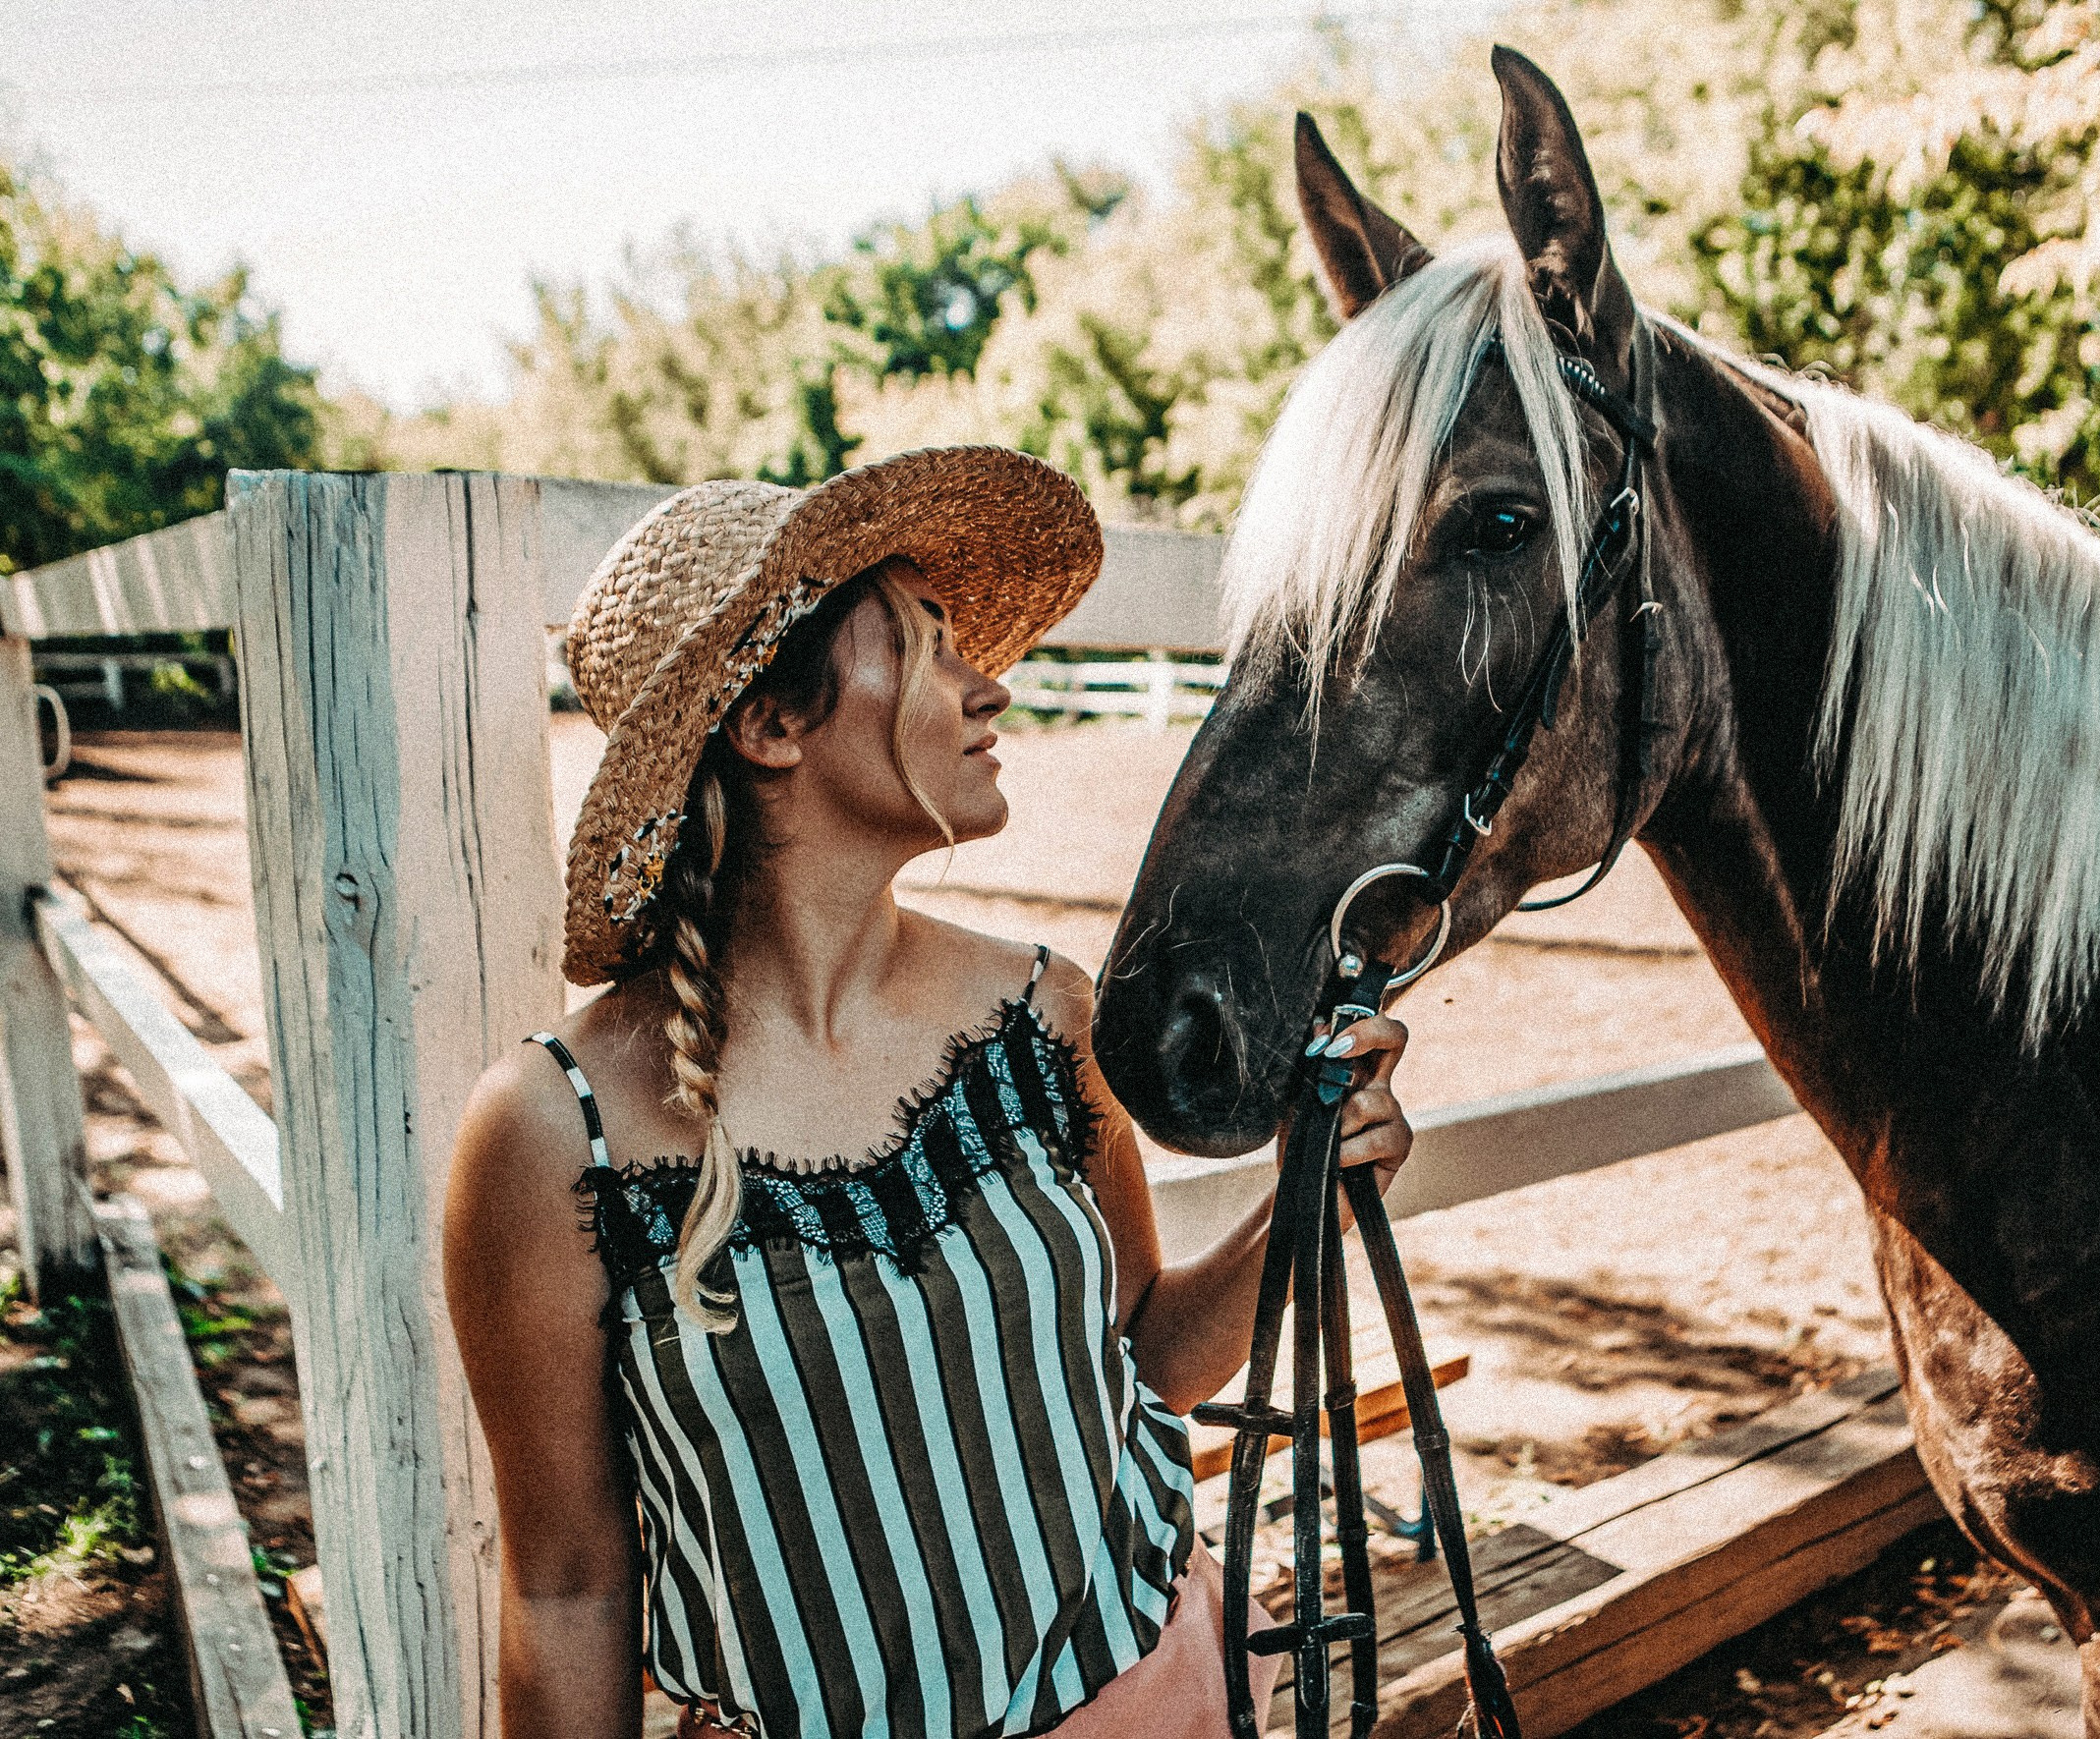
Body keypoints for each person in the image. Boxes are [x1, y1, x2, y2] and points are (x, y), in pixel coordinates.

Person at [442, 447, 1417, 1739]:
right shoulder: (550, 1131)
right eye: (924, 643)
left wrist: (1314, 1187)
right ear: (772, 722)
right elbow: (567, 1588)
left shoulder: (1045, 1014)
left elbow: (1145, 1356)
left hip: (1154, 1701)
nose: (990, 685)